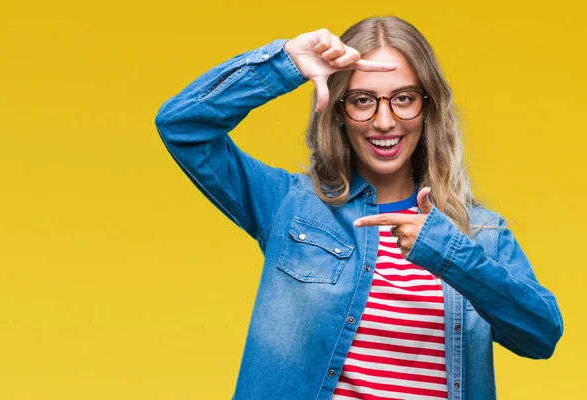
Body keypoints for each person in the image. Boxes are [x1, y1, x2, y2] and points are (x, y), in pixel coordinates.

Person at [154, 16, 563, 400]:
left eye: (404, 98)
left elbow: (541, 334)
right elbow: (182, 126)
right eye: (363, 100)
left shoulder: (480, 234)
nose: (384, 121)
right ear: (339, 113)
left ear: (428, 109)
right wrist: (285, 65)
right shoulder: (291, 207)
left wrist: (447, 252)